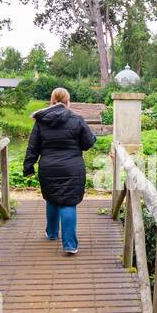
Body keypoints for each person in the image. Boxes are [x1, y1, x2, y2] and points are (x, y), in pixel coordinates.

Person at [23, 87, 97, 255]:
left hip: (48, 168)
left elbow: (33, 147)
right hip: (72, 168)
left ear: (52, 101)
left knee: (52, 199)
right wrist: (94, 138)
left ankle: (51, 233)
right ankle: (70, 245)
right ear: (67, 102)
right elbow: (87, 144)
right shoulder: (77, 119)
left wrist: (28, 166)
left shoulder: (41, 121)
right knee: (68, 203)